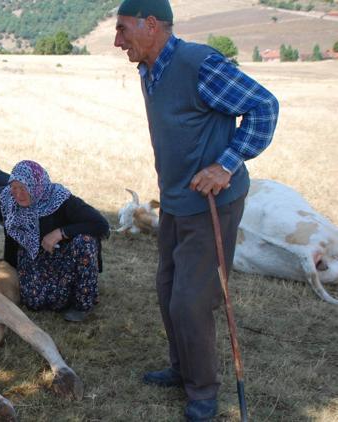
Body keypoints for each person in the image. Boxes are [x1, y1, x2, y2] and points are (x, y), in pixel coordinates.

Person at [113, 0, 279, 420]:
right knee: (167, 288)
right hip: (175, 200)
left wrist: (225, 165)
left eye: (123, 29)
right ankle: (182, 368)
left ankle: (203, 392)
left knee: (190, 299)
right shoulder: (150, 69)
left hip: (212, 204)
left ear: (151, 25)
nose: (117, 41)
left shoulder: (198, 64)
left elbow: (263, 107)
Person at [0, 160, 110, 322]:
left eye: (24, 188)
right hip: (32, 255)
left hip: (66, 255)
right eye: (14, 188)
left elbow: (101, 224)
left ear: (36, 186)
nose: (18, 194)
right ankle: (66, 290)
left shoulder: (61, 200)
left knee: (85, 241)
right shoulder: (7, 197)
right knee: (35, 301)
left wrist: (61, 233)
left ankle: (83, 302)